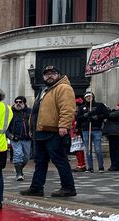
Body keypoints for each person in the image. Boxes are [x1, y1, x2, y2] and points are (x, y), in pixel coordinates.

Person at [21, 65, 77, 198]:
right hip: (40, 131)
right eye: (47, 74)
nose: (49, 76)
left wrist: (64, 125)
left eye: (53, 73)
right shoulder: (44, 89)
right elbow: (36, 110)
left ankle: (68, 188)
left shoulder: (63, 88)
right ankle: (36, 188)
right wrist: (31, 128)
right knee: (40, 161)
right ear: (43, 76)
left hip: (54, 132)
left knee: (60, 160)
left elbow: (67, 108)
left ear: (58, 74)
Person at [75, 89, 109, 172]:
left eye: (90, 96)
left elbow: (106, 114)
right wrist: (85, 115)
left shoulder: (99, 105)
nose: (88, 98)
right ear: (84, 98)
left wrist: (97, 117)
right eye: (87, 97)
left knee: (98, 149)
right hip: (86, 130)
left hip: (96, 129)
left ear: (93, 97)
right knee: (88, 149)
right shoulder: (82, 107)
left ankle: (101, 167)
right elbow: (78, 118)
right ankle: (90, 167)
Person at [7, 95, 33, 181]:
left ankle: (19, 169)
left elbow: (34, 122)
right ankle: (18, 174)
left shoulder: (30, 112)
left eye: (20, 102)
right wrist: (10, 135)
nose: (18, 104)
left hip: (27, 138)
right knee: (17, 154)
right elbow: (5, 126)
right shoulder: (10, 112)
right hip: (15, 138)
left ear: (24, 103)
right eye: (16, 102)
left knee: (26, 157)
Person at [103, 100, 119, 172]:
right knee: (117, 151)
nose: (116, 106)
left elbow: (108, 116)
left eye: (118, 105)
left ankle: (115, 166)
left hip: (115, 134)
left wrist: (106, 109)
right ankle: (118, 166)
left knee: (114, 151)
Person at [71, 98, 87, 172]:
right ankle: (80, 164)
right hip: (73, 133)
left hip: (78, 133)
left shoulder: (80, 112)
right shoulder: (74, 113)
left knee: (79, 149)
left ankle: (81, 165)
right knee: (77, 150)